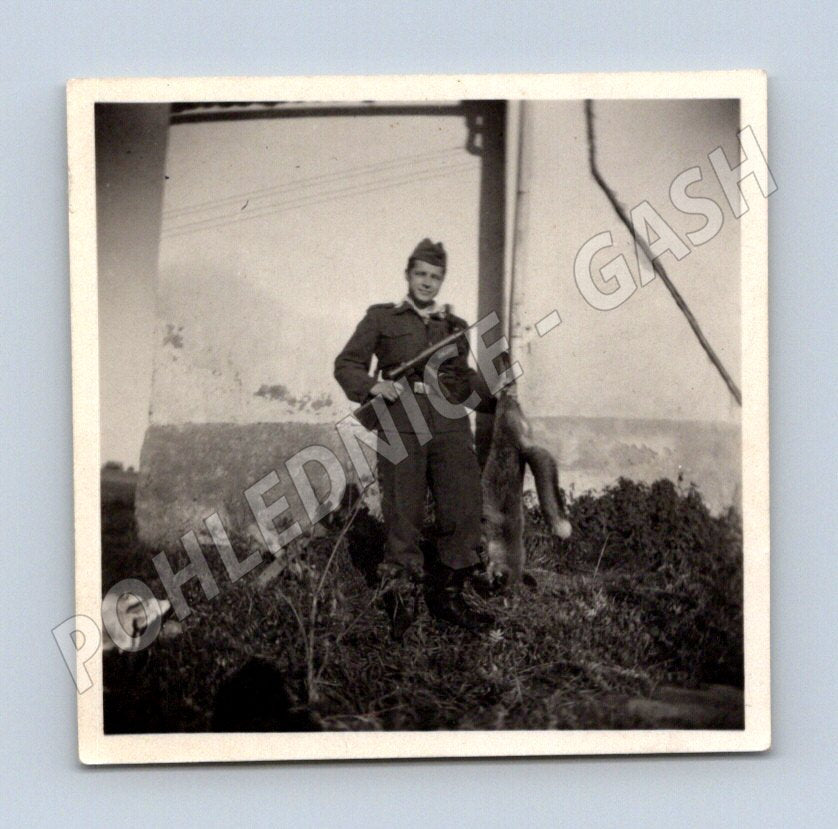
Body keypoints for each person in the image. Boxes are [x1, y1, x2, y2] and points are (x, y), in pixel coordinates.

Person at [334, 238, 495, 639]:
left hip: (451, 422)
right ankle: (401, 594)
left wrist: (495, 396)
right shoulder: (381, 319)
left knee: (462, 507)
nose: (427, 282)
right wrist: (373, 387)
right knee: (402, 511)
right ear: (408, 275)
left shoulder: (454, 328)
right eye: (420, 274)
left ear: (442, 281)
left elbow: (461, 378)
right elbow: (347, 364)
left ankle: (448, 595)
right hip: (402, 420)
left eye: (435, 276)